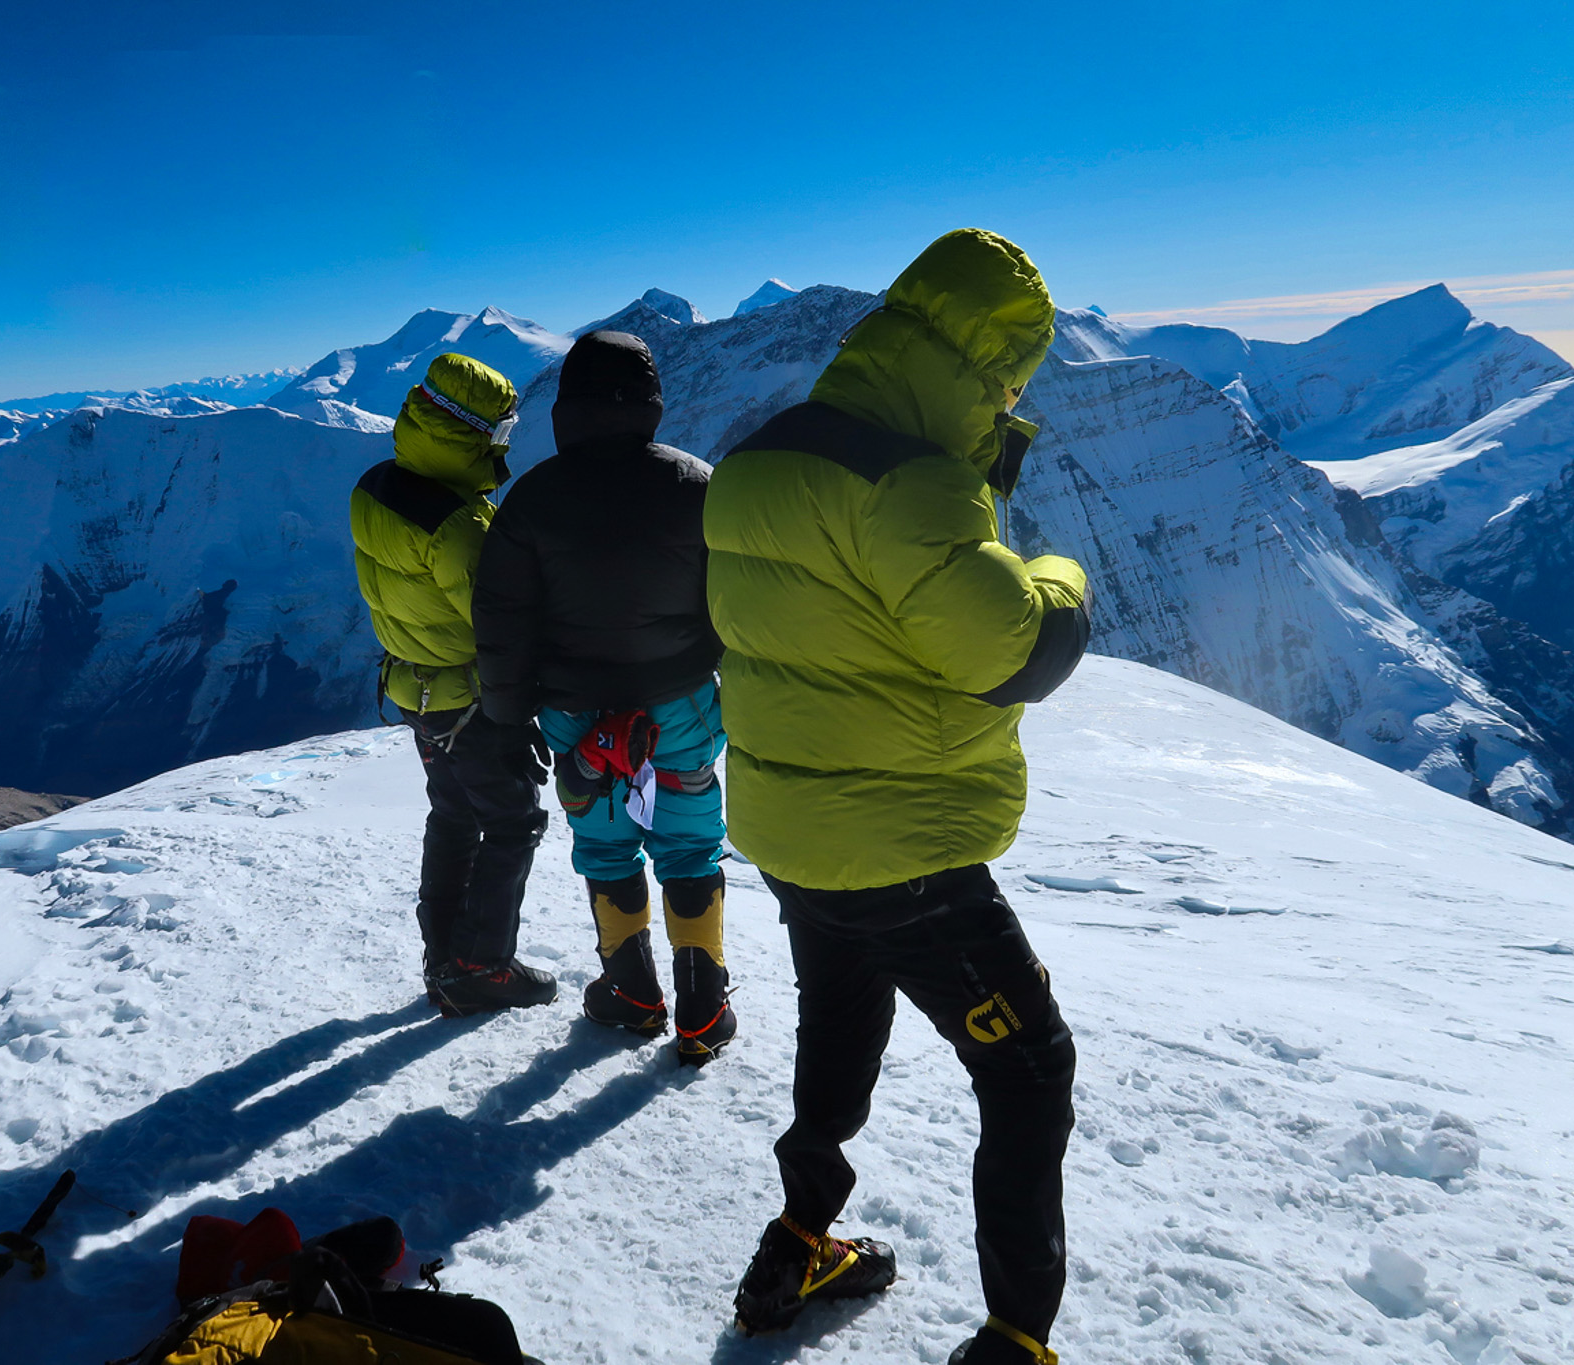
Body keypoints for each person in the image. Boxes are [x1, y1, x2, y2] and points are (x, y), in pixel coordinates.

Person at [705, 230, 1090, 1363]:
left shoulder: (759, 455)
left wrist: (971, 486)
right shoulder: (910, 484)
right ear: (985, 363)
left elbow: (819, 621)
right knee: (1028, 1073)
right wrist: (1059, 574)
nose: (1019, 394)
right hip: (905, 850)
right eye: (1013, 374)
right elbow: (1009, 648)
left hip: (789, 828)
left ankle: (797, 1238)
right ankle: (1015, 1340)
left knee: (842, 1021)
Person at [472, 330, 736, 1065]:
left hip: (574, 715)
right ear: (651, 402)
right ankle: (703, 1010)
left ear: (565, 409)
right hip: (680, 707)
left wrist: (505, 714)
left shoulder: (531, 501)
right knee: (688, 843)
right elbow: (736, 602)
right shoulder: (699, 485)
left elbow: (501, 620)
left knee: (605, 844)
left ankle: (632, 992)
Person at [349, 352, 556, 1017]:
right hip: (471, 698)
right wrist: (524, 701)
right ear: (469, 432)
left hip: (416, 692)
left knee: (454, 812)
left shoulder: (375, 484)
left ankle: (444, 955)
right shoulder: (461, 526)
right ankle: (481, 965)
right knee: (514, 821)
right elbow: (501, 621)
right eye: (498, 432)